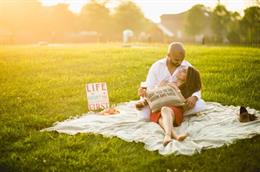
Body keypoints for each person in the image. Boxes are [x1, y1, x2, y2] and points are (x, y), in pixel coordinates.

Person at [138, 42, 206, 121]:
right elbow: (149, 86)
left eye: (182, 60)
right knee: (144, 117)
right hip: (158, 99)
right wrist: (144, 92)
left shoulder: (187, 66)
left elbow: (196, 84)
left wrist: (194, 97)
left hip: (177, 103)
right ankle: (170, 114)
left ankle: (169, 114)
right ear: (168, 55)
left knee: (200, 105)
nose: (180, 63)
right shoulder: (157, 66)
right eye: (176, 60)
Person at [137, 66, 202, 145]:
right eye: (182, 70)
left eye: (184, 71)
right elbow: (155, 96)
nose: (180, 70)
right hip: (157, 110)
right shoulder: (166, 82)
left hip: (175, 111)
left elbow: (184, 106)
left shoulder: (187, 90)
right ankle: (175, 135)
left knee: (165, 109)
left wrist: (177, 90)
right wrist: (143, 101)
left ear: (188, 78)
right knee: (161, 117)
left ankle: (167, 135)